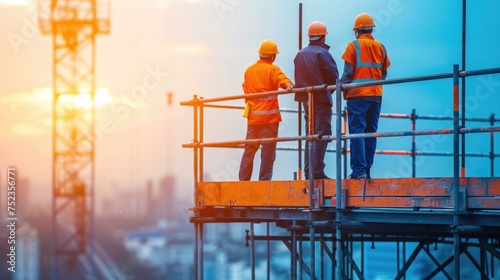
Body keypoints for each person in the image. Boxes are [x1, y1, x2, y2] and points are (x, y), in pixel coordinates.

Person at [341, 13, 391, 180]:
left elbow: (347, 74)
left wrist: (342, 88)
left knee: (357, 133)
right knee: (370, 133)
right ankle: (366, 170)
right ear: (371, 29)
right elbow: (384, 73)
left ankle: (359, 172)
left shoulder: (353, 46)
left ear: (357, 30)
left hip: (357, 95)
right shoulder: (381, 47)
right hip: (376, 95)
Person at [239, 39, 294, 181]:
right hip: (269, 120)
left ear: (260, 54)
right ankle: (264, 183)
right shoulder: (273, 69)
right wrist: (289, 84)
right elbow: (282, 80)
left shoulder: (249, 70)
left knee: (249, 151)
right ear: (273, 56)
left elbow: (245, 89)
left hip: (253, 118)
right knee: (268, 153)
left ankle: (243, 182)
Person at [294, 21, 339, 180]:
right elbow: (334, 79)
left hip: (307, 102)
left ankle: (309, 172)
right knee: (321, 135)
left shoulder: (300, 54)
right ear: (322, 37)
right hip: (321, 102)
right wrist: (327, 92)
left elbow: (298, 79)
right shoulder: (323, 54)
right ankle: (316, 173)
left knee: (310, 135)